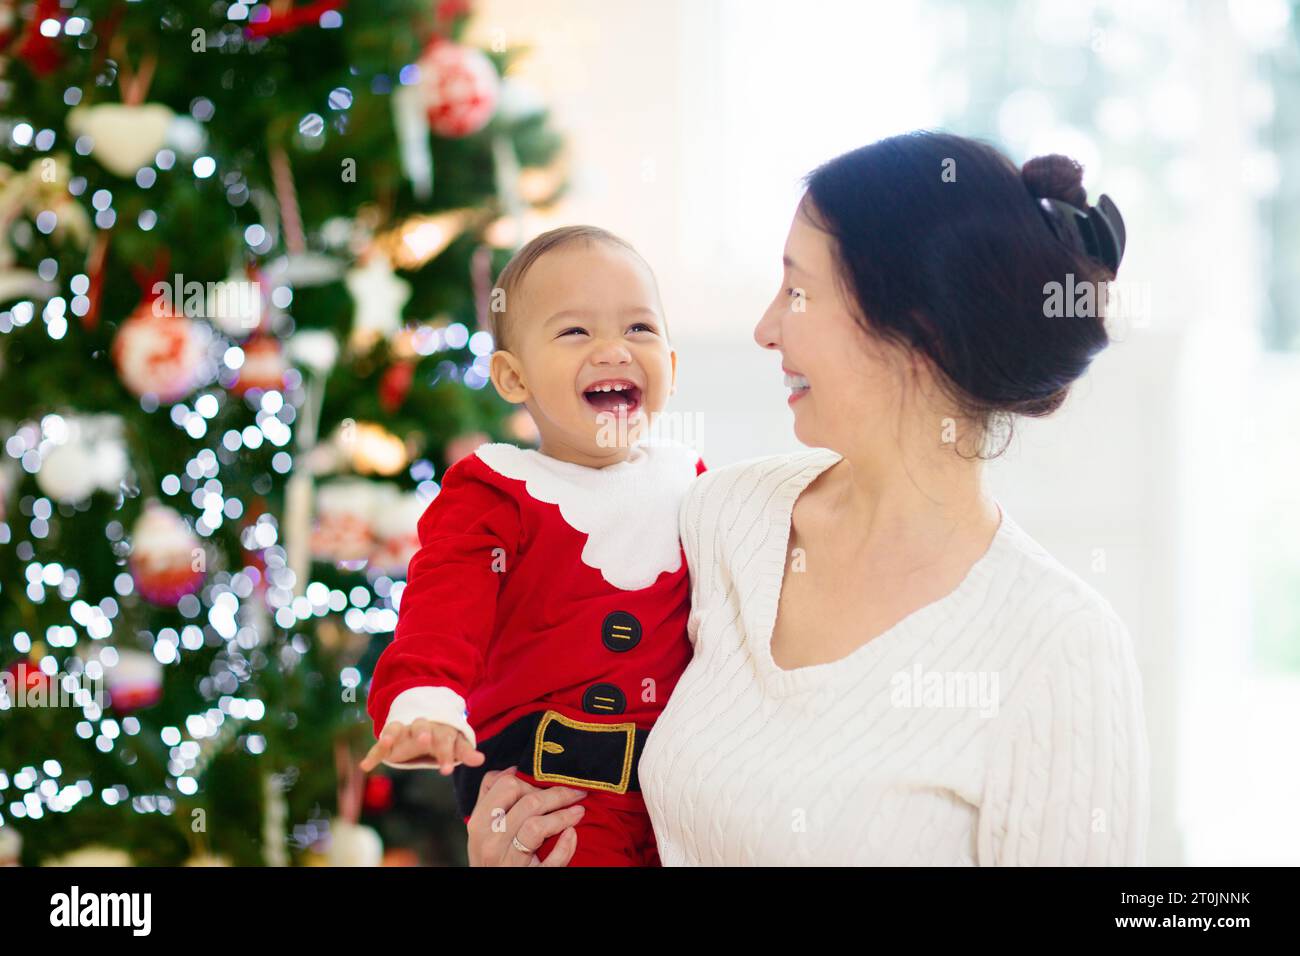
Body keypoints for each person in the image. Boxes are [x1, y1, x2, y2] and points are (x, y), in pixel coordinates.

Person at [464, 131, 1150, 866]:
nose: (765, 329)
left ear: (919, 328)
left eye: (797, 291)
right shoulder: (720, 516)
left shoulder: (1059, 646)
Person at [361, 225, 705, 866]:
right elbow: (442, 605)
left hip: (679, 797)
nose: (615, 351)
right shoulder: (497, 491)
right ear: (513, 377)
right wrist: (426, 698)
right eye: (575, 332)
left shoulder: (694, 484)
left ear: (673, 368)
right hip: (549, 797)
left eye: (640, 329)